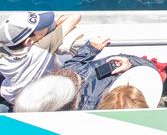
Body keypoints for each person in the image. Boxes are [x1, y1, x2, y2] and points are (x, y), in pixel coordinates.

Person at [14, 36, 151, 111]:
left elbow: (71, 67)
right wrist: (131, 63)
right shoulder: (95, 105)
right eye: (75, 80)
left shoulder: (65, 77)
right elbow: (150, 69)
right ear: (73, 101)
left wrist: (90, 50)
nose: (73, 74)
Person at [0, 11, 81, 105]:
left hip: (12, 96)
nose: (46, 26)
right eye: (40, 27)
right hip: (37, 99)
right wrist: (54, 25)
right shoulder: (42, 47)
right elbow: (75, 17)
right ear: (29, 41)